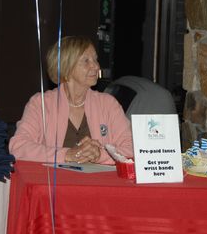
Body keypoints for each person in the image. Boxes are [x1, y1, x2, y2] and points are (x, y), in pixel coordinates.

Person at [9, 36, 133, 165]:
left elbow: (132, 147)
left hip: (99, 178)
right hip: (54, 178)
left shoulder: (108, 104)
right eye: (86, 61)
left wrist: (100, 155)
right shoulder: (41, 104)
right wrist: (67, 154)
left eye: (95, 59)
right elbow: (18, 146)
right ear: (66, 68)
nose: (96, 66)